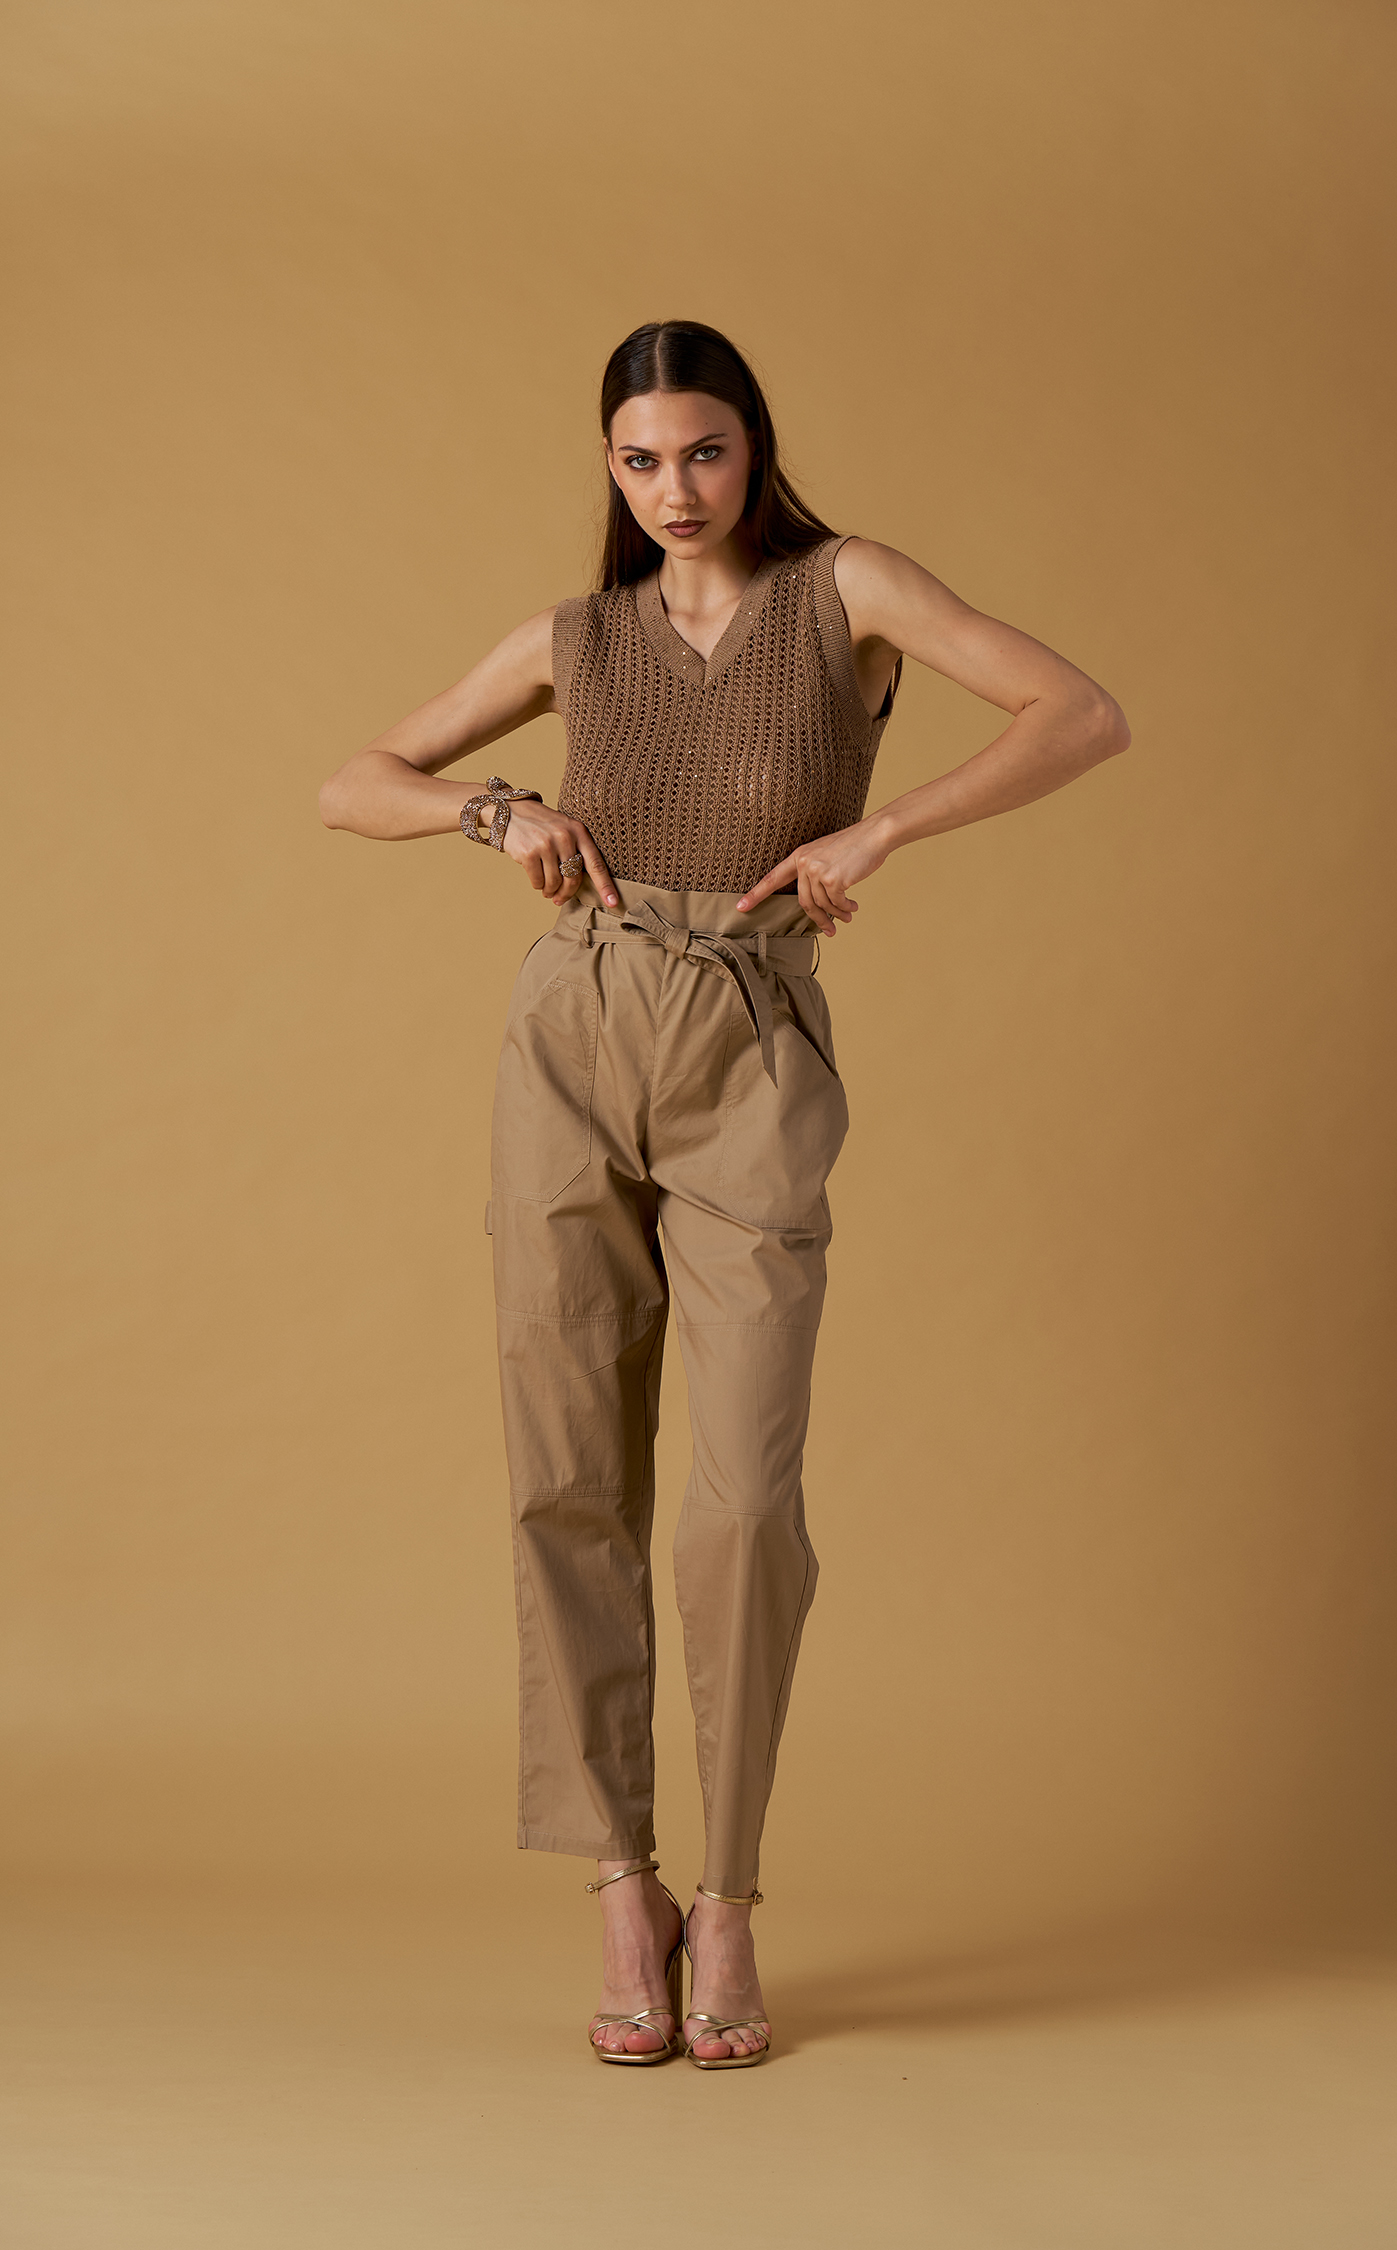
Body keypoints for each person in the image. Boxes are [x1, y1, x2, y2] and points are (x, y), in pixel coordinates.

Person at [319, 318, 1128, 2070]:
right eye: (638, 460)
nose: (673, 489)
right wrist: (491, 816)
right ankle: (624, 1882)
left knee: (744, 1500)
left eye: (702, 451)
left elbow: (1083, 711)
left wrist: (883, 827)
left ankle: (735, 1892)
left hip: (751, 1044)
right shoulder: (576, 636)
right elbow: (351, 781)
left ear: (753, 446)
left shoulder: (846, 593)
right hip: (572, 1035)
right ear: (608, 469)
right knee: (566, 1469)